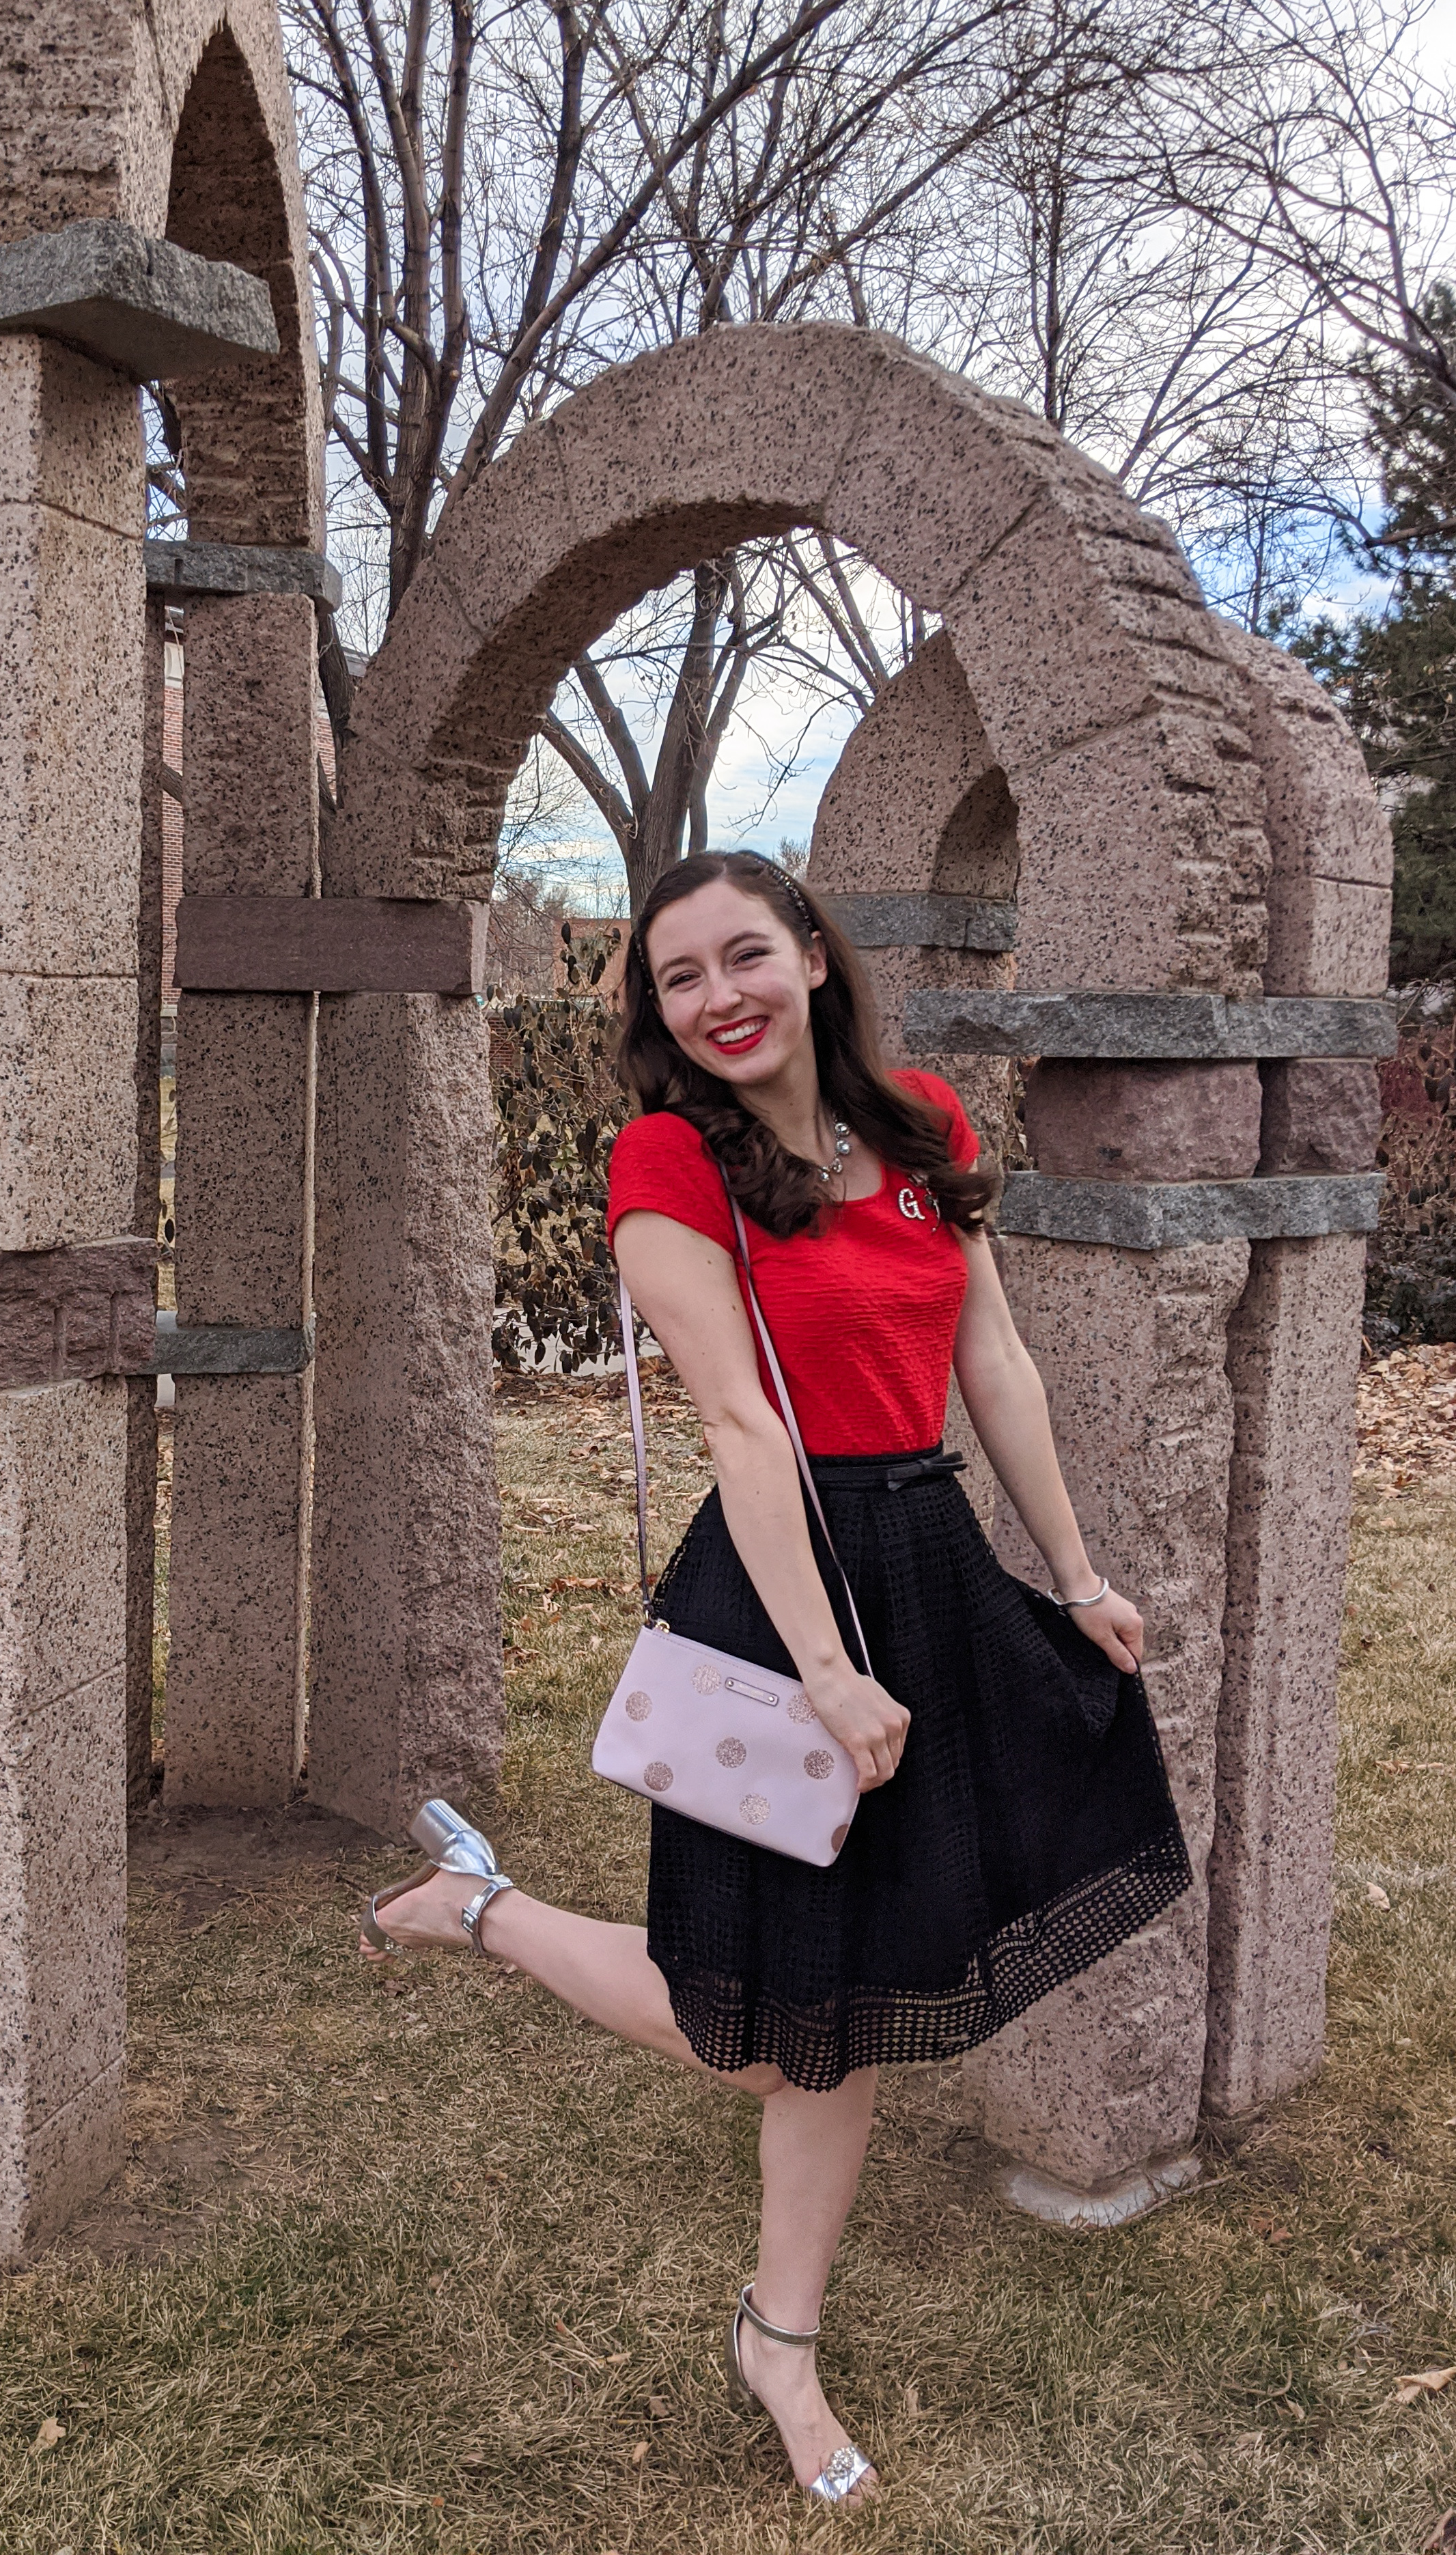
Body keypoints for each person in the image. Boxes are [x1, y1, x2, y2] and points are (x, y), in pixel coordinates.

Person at [360, 850, 1191, 2511]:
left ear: (814, 958)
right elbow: (743, 1421)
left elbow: (994, 1361)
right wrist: (822, 1670)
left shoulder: (929, 1131)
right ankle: (491, 1914)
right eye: (681, 978)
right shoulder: (671, 1159)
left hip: (929, 1569)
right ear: (660, 1014)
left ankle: (780, 2338)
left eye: (747, 954)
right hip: (783, 1587)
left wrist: (1077, 1573)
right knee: (753, 2029)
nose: (721, 995)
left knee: (861, 1995)